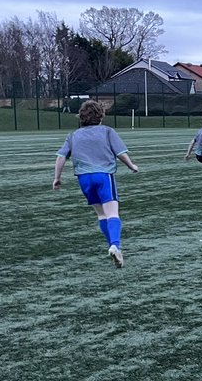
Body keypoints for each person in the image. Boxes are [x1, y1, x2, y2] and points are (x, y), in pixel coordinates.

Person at [53, 99, 140, 268]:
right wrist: (132, 166)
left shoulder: (73, 135)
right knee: (112, 213)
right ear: (101, 116)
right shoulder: (107, 131)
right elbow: (120, 153)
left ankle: (113, 247)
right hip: (103, 176)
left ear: (81, 117)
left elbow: (61, 157)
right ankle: (115, 245)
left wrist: (57, 178)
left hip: (84, 179)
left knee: (101, 215)